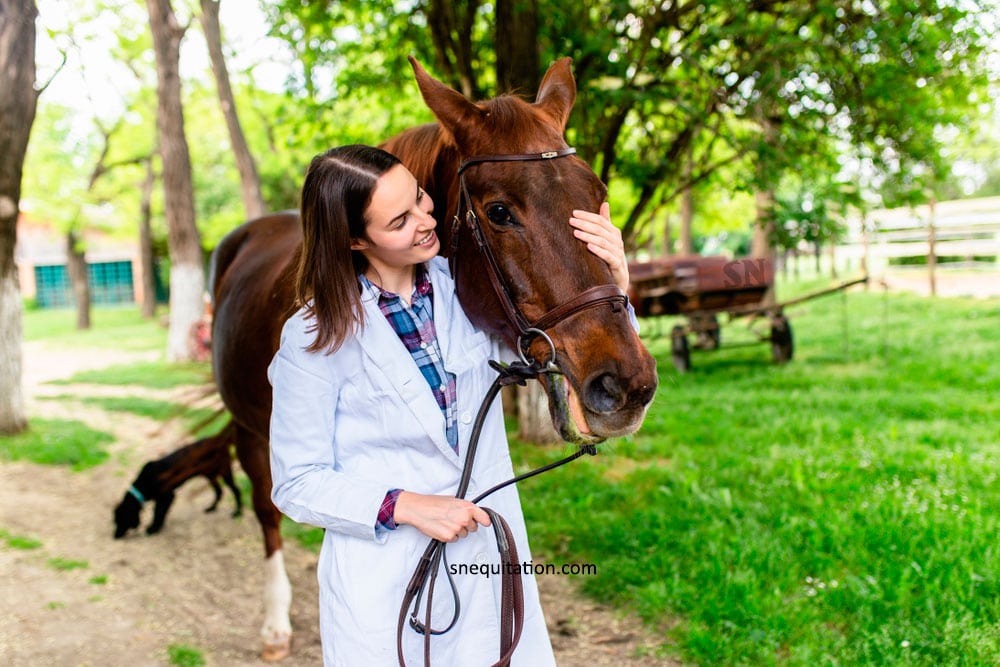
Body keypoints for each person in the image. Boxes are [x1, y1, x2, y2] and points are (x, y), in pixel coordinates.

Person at [267, 144, 631, 666]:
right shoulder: (312, 336)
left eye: (419, 199)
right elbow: (297, 481)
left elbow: (566, 348)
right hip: (386, 584)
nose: (424, 221)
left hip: (489, 564)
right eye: (399, 220)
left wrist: (613, 279)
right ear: (353, 239)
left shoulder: (470, 287)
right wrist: (407, 506)